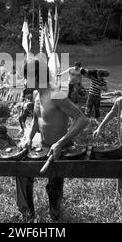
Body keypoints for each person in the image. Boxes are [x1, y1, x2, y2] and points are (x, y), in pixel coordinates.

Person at [17, 58, 88, 221]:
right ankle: (28, 216)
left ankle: (56, 216)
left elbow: (82, 119)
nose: (24, 80)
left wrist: (60, 143)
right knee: (21, 173)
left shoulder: (56, 94)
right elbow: (37, 119)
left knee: (53, 189)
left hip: (60, 149)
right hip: (43, 147)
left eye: (27, 77)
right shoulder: (36, 94)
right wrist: (28, 137)